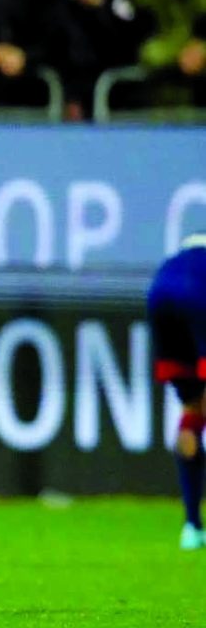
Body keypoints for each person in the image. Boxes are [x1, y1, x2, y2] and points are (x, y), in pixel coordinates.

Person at [147, 233, 206, 550]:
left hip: (160, 296)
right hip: (200, 295)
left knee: (192, 410)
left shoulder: (177, 259)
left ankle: (192, 526)